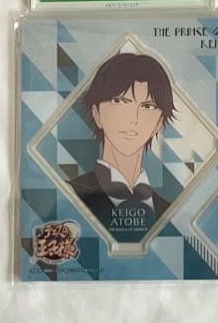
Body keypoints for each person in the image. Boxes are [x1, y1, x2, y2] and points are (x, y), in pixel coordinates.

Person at [69, 51, 176, 241]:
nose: (133, 119)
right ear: (97, 113)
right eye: (119, 101)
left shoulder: (170, 212)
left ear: (159, 122)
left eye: (148, 106)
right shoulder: (69, 195)